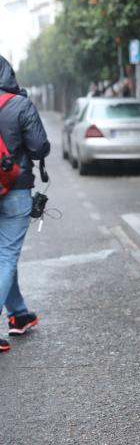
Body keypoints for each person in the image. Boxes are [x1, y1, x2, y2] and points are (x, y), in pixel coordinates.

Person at [0, 55, 50, 354]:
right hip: (15, 188)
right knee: (6, 255)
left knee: (5, 255)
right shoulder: (19, 104)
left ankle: (19, 314)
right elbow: (39, 146)